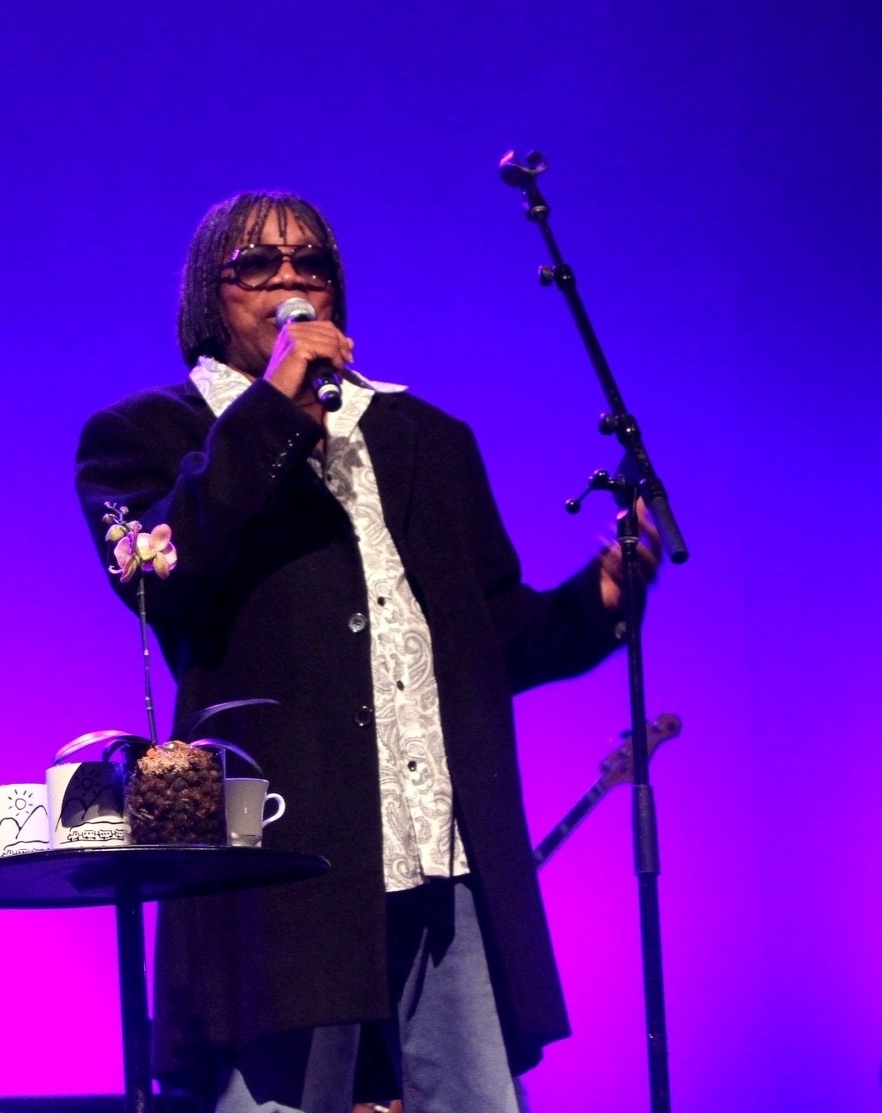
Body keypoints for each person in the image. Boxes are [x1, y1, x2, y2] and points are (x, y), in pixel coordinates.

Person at [74, 191, 659, 1113]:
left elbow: (490, 639)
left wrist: (599, 601)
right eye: (257, 265)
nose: (290, 281)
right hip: (279, 868)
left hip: (443, 852)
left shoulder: (426, 438)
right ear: (206, 295)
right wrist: (274, 405)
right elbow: (157, 571)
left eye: (310, 262)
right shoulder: (143, 436)